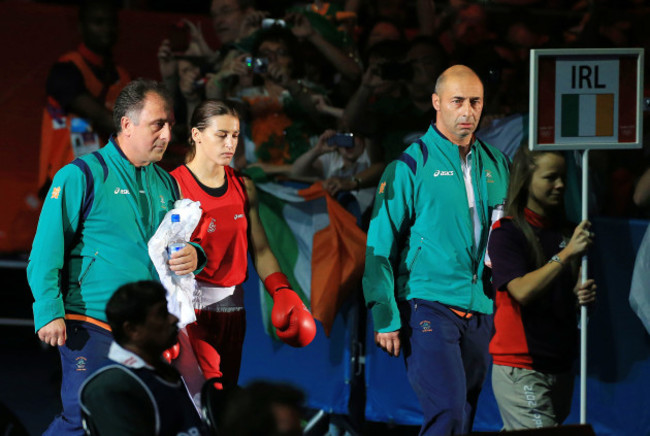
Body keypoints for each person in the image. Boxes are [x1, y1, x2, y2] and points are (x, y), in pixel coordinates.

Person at [27, 79, 203, 436]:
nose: (168, 133)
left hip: (146, 327)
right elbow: (45, 251)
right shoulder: (82, 175)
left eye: (169, 124)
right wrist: (48, 311)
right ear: (127, 124)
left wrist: (193, 255)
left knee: (140, 421)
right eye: (158, 124)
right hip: (90, 320)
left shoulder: (166, 183)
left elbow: (178, 241)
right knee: (84, 419)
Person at [363, 65, 510, 435]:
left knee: (463, 413)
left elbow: (508, 230)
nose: (467, 111)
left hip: (480, 306)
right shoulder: (410, 165)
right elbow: (380, 244)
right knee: (447, 413)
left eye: (475, 102)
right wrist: (385, 314)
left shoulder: (498, 164)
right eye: (457, 101)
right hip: (427, 302)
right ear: (436, 103)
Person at [170, 99, 316, 389]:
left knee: (224, 404)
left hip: (235, 312)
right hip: (190, 314)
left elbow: (260, 249)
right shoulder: (172, 186)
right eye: (221, 135)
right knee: (208, 398)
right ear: (197, 135)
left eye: (235, 135)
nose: (230, 144)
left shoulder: (243, 185)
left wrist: (281, 290)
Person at [488, 146, 597, 430]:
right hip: (522, 365)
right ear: (526, 179)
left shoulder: (569, 232)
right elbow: (522, 291)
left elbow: (567, 299)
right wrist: (566, 254)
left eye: (562, 177)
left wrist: (580, 297)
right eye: (550, 177)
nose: (560, 184)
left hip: (559, 363)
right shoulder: (506, 233)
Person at [79, 281, 208, 436]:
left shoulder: (162, 370)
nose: (173, 318)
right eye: (162, 314)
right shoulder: (109, 386)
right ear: (132, 329)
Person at [39, 0, 130, 195]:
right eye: (98, 22)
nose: (106, 29)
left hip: (105, 185)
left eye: (111, 23)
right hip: (66, 182)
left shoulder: (122, 77)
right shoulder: (66, 69)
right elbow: (101, 118)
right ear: (82, 27)